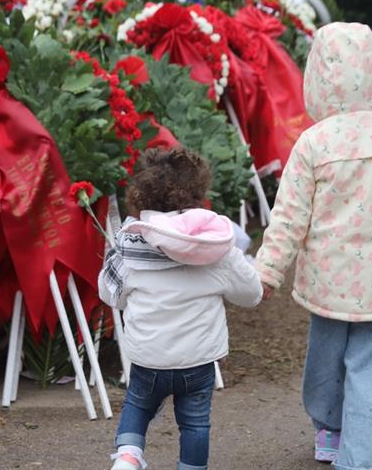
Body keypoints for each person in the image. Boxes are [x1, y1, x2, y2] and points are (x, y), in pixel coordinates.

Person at [254, 22, 372, 470]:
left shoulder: (312, 143)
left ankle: (329, 427)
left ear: (316, 79)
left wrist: (267, 271)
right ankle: (360, 458)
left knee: (326, 358)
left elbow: (289, 216)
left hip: (328, 284)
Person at [98, 147, 263, 470]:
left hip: (149, 355)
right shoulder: (216, 246)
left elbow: (110, 295)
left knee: (139, 405)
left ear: (141, 194)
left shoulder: (131, 243)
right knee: (195, 424)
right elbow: (250, 294)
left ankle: (128, 456)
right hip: (198, 359)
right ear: (198, 192)